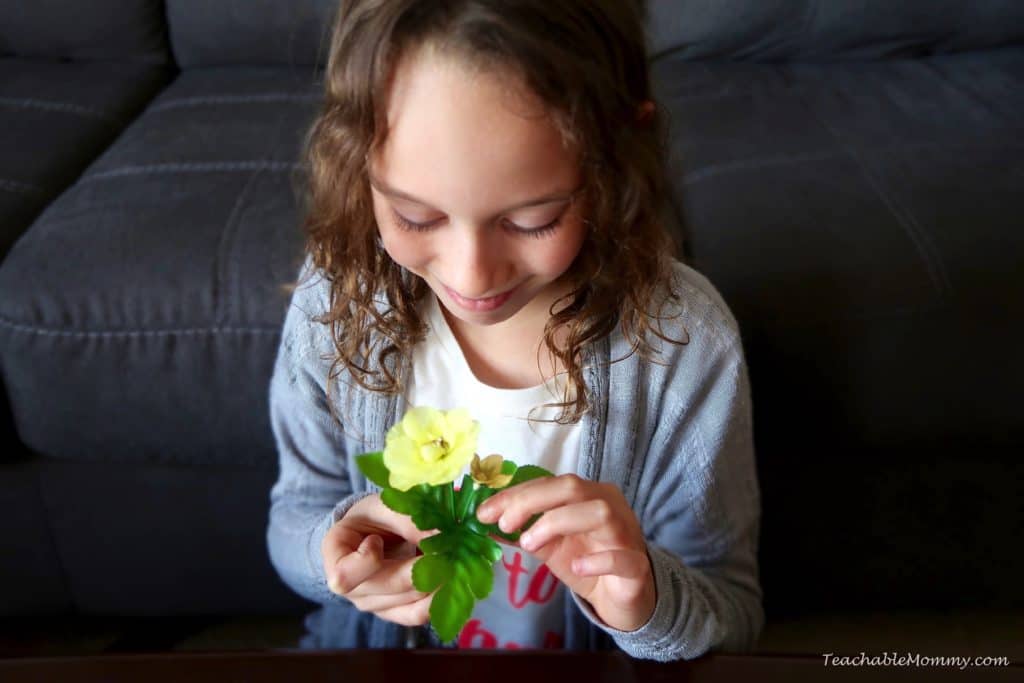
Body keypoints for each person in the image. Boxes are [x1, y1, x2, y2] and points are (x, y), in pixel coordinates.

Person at [267, 0, 763, 661]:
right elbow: (293, 517)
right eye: (415, 217)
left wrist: (646, 598)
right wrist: (332, 549)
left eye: (533, 221)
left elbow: (730, 608)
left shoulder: (683, 345)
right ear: (358, 167)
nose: (472, 274)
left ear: (613, 163)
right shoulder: (340, 302)